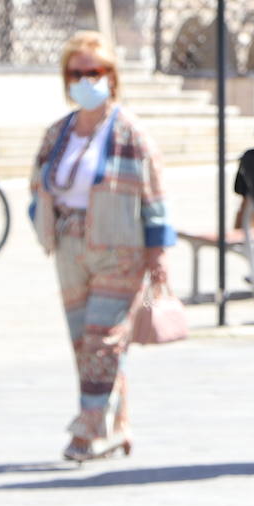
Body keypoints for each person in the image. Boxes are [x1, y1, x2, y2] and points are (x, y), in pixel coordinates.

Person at [28, 31, 174, 463]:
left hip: (119, 247)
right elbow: (39, 184)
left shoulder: (130, 132)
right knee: (83, 343)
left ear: (111, 76)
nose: (86, 79)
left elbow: (155, 194)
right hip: (70, 246)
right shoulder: (59, 132)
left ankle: (89, 430)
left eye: (95, 71)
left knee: (104, 341)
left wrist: (158, 252)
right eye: (77, 72)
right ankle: (117, 426)